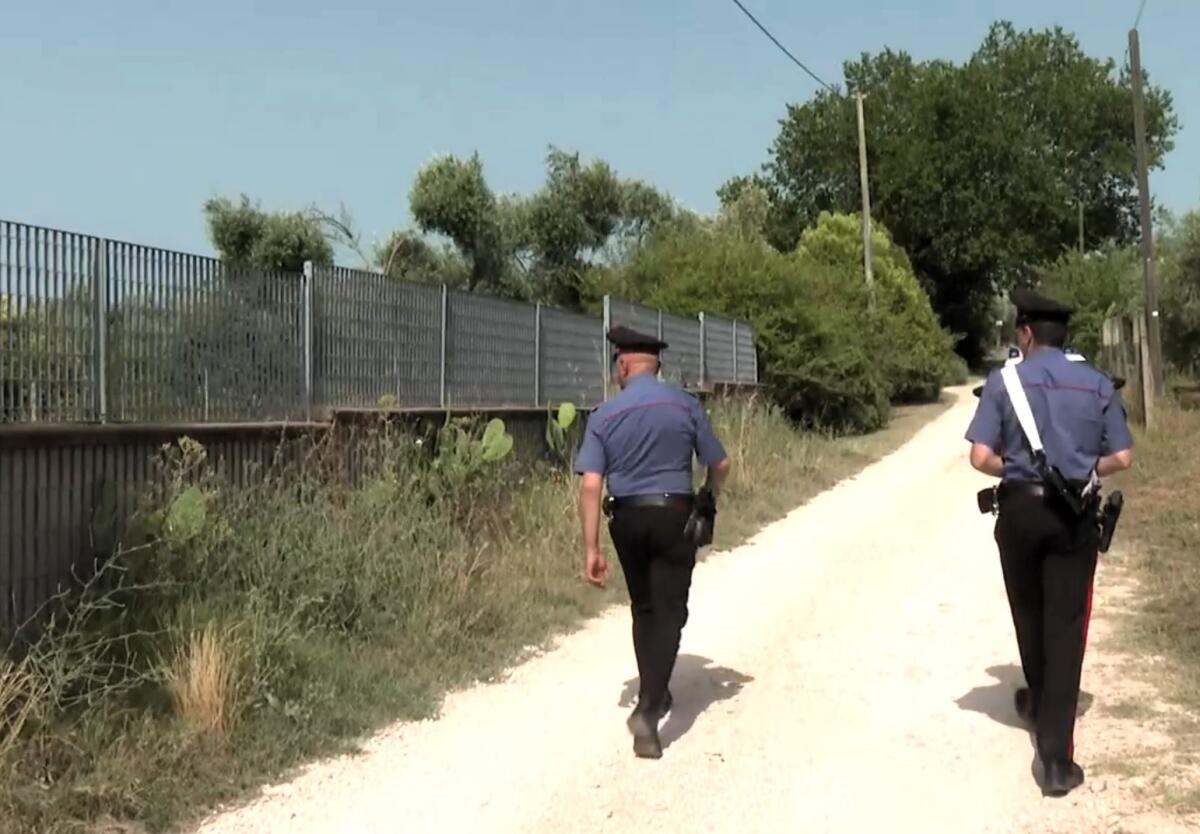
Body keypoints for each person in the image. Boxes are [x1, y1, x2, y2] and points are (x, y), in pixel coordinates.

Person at [965, 287, 1134, 796]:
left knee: (1030, 614)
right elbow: (1122, 458)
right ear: (1065, 337)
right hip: (1072, 514)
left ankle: (1038, 703)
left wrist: (1014, 469)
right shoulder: (1097, 384)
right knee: (1066, 626)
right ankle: (1056, 761)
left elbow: (979, 457)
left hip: (1018, 510)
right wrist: (1082, 471)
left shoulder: (1003, 382)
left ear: (1026, 332)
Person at [574, 325, 732, 759]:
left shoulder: (603, 415)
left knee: (644, 607)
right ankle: (648, 709)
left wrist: (591, 549)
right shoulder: (684, 405)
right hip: (674, 516)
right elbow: (720, 463)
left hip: (625, 518)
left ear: (623, 365)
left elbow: (591, 485)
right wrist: (709, 499)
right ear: (654, 365)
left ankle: (655, 693)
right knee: (671, 610)